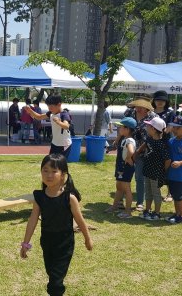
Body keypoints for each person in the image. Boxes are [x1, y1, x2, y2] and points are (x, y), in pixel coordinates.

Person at [20, 154, 93, 296]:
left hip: (64, 244)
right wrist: (25, 243)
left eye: (54, 171)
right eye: (45, 170)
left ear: (63, 175)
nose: (49, 175)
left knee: (55, 281)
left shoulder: (69, 198)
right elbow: (32, 220)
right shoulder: (39, 197)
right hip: (47, 242)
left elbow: (79, 220)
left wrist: (87, 238)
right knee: (51, 272)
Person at [117, 96, 157, 211]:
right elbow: (122, 126)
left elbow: (155, 134)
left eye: (142, 107)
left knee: (139, 177)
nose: (138, 109)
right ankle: (120, 200)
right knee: (122, 176)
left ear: (147, 108)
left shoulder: (153, 117)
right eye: (137, 106)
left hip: (142, 151)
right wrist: (117, 139)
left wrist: (139, 151)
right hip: (127, 149)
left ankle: (140, 202)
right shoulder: (129, 112)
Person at [135, 117, 170, 221]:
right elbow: (144, 146)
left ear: (154, 129)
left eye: (148, 126)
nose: (146, 127)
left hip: (156, 173)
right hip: (148, 170)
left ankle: (157, 213)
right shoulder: (149, 139)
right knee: (148, 192)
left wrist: (162, 171)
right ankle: (148, 210)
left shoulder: (162, 144)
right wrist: (137, 153)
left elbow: (167, 160)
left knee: (156, 193)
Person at [106, 117, 137, 218]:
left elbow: (131, 151)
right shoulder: (124, 139)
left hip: (125, 167)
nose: (119, 129)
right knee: (119, 187)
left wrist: (128, 158)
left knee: (126, 189)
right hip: (121, 167)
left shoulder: (129, 140)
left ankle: (128, 212)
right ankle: (114, 206)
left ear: (127, 129)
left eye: (121, 127)